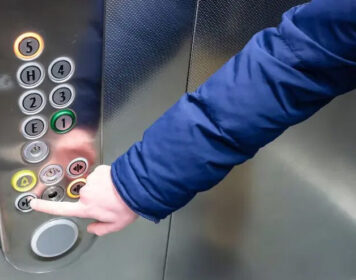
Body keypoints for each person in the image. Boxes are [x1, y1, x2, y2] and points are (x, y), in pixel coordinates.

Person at [31, 0, 356, 236]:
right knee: (229, 164)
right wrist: (83, 110)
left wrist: (137, 182)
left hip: (263, 67)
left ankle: (221, 244)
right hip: (230, 49)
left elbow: (311, 52)